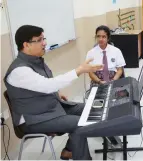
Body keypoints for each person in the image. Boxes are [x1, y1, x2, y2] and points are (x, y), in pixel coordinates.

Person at [4, 25, 102, 160]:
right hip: (32, 119)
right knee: (79, 123)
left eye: (44, 38)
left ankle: (69, 150)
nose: (44, 43)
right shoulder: (19, 70)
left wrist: (56, 93)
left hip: (47, 107)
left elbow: (44, 83)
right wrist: (78, 70)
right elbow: (48, 85)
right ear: (26, 45)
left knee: (89, 109)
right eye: (39, 40)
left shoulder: (35, 60)